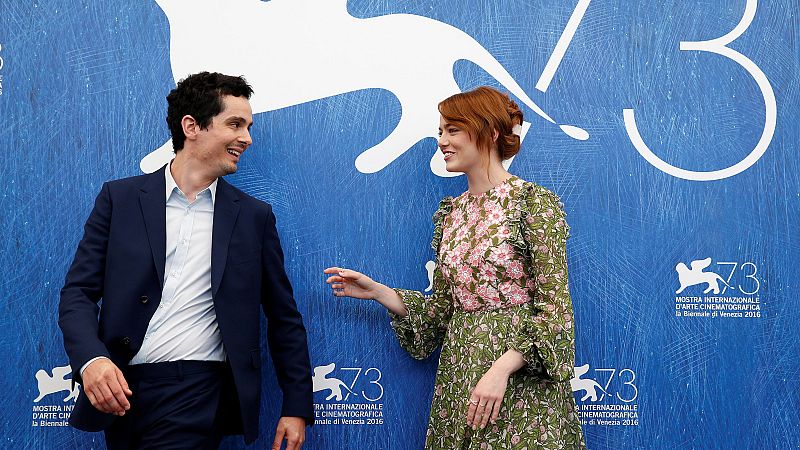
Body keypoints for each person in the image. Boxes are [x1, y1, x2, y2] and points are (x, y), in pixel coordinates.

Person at [59, 72, 313, 450]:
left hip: (196, 391)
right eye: (235, 124)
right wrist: (91, 361)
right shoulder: (120, 199)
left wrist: (296, 406)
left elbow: (283, 317)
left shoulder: (253, 218)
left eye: (248, 126)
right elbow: (78, 293)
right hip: (118, 391)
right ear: (191, 126)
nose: (247, 138)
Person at [324, 86, 585, 449]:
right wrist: (379, 292)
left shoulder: (533, 203)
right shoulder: (452, 214)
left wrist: (501, 369)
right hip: (459, 372)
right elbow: (443, 311)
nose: (442, 141)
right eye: (440, 132)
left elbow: (556, 310)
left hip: (520, 379)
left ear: (490, 132)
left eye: (452, 130)